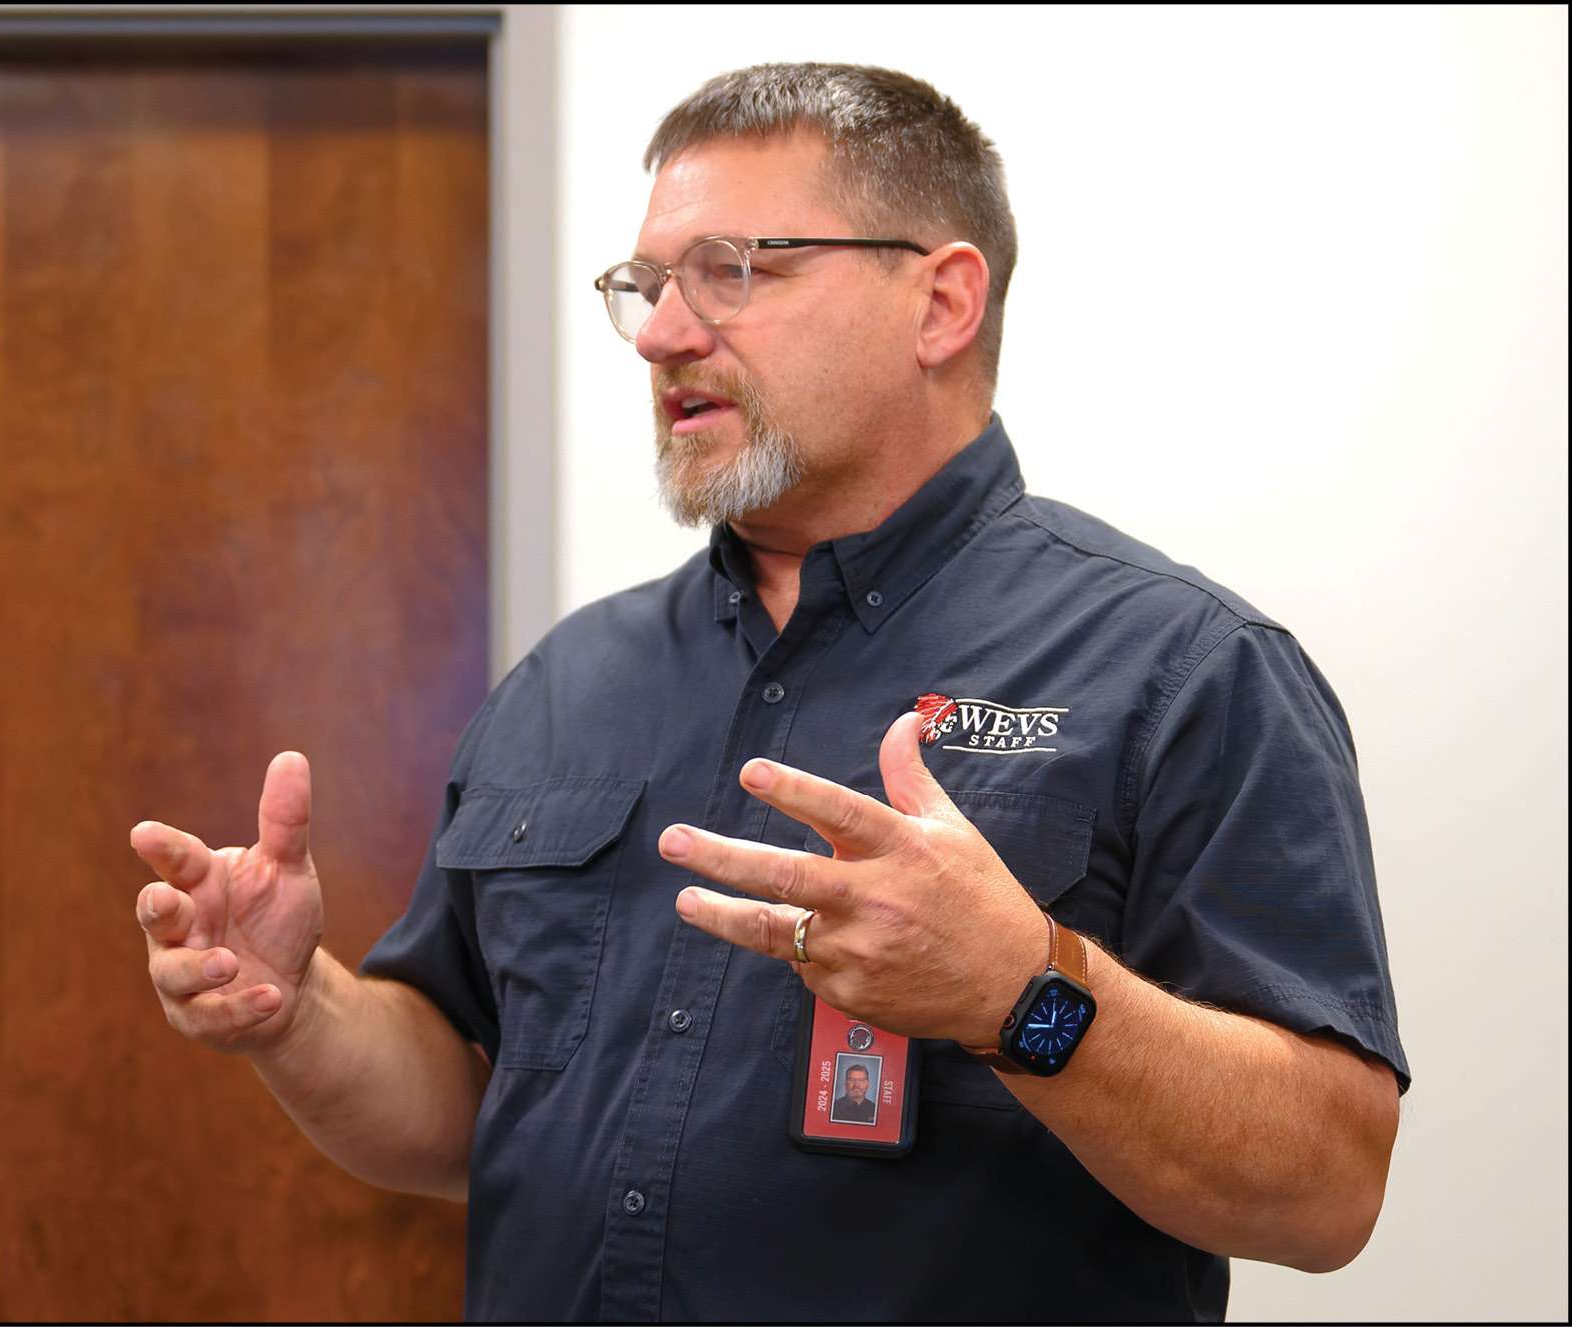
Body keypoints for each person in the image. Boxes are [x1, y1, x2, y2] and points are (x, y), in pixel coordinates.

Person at [130, 63, 1410, 1323]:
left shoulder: (1184, 670)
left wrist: (1020, 990)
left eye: (733, 270)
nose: (664, 334)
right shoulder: (568, 680)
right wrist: (300, 1010)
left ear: (941, 303)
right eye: (647, 285)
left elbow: (1327, 1186)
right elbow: (465, 1102)